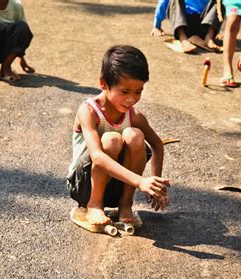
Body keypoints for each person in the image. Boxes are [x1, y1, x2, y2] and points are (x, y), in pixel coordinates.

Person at [67, 45, 170, 225]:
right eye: (124, 92)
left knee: (134, 135)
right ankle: (95, 205)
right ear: (103, 84)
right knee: (111, 139)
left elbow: (157, 145)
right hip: (83, 186)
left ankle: (125, 204)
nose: (131, 99)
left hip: (117, 186)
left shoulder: (134, 116)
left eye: (138, 92)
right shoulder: (89, 111)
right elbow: (97, 157)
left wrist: (156, 186)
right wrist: (140, 181)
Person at [151, 0, 225, 53]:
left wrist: (215, 29)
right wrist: (156, 26)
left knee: (220, 1)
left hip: (204, 24)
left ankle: (209, 38)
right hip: (183, 24)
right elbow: (163, 2)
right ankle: (183, 40)